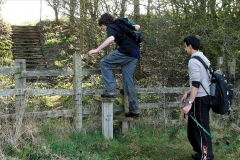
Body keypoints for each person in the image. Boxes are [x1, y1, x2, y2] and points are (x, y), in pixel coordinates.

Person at [88, 12, 140, 117]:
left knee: (104, 62)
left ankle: (112, 89)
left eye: (102, 27)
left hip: (126, 51)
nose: (103, 29)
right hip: (135, 53)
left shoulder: (111, 26)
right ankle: (134, 110)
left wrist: (97, 50)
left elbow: (111, 38)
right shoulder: (121, 24)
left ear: (104, 24)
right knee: (128, 81)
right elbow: (137, 27)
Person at [181, 35, 214, 160]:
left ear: (190, 46)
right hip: (201, 96)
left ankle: (206, 156)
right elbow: (203, 81)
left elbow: (196, 83)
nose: (185, 49)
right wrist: (188, 92)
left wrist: (190, 103)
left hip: (200, 99)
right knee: (193, 129)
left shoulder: (193, 61)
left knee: (201, 128)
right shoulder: (203, 57)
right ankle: (201, 153)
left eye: (185, 47)